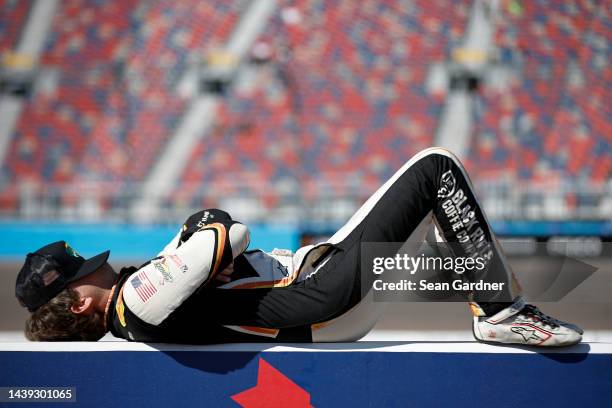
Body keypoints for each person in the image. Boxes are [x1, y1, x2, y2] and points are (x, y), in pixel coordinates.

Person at [16, 148, 582, 346]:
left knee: (446, 236)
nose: (96, 268)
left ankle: (486, 289)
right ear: (78, 302)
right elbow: (231, 233)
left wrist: (203, 241)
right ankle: (499, 312)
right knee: (436, 169)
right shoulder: (136, 299)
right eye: (80, 275)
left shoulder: (133, 307)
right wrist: (207, 225)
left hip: (319, 295)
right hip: (322, 298)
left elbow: (212, 248)